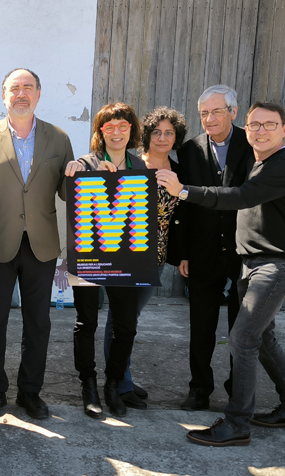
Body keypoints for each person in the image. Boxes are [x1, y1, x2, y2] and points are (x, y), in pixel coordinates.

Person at [158, 101, 285, 446]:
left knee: (243, 338)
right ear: (246, 128)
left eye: (269, 125)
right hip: (255, 262)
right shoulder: (265, 162)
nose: (261, 131)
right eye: (255, 125)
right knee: (262, 340)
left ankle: (237, 424)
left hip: (275, 265)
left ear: (284, 130)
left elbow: (242, 196)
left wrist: (183, 190)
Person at [0, 68, 75, 420]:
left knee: (38, 322)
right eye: (15, 88)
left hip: (41, 245)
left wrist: (81, 177)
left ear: (39, 94)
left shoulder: (58, 138)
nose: (21, 93)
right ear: (4, 95)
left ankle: (31, 392)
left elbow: (67, 193)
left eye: (28, 87)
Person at [98, 106, 188, 410]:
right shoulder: (134, 164)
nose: (162, 138)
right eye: (156, 132)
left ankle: (123, 377)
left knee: (130, 319)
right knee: (120, 319)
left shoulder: (180, 169)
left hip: (157, 256)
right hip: (126, 255)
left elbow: (186, 215)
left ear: (177, 137)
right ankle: (119, 383)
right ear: (146, 135)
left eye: (169, 133)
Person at [66, 102, 147, 419]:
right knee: (86, 322)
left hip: (128, 255)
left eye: (122, 126)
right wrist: (78, 174)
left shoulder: (139, 166)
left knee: (125, 326)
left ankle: (114, 385)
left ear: (131, 130)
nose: (116, 132)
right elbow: (68, 192)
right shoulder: (86, 163)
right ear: (100, 131)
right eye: (109, 126)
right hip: (90, 253)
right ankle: (88, 385)